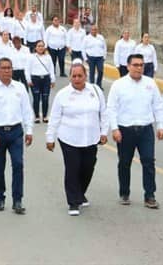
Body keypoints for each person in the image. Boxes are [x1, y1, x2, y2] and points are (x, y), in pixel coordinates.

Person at [46, 60, 108, 216]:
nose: (77, 79)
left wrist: (104, 132)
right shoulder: (63, 95)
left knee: (88, 167)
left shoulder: (95, 91)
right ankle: (73, 202)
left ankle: (80, 193)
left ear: (86, 76)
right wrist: (50, 137)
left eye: (80, 75)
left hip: (91, 138)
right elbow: (54, 117)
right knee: (73, 168)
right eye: (74, 76)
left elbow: (104, 113)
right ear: (70, 77)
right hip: (69, 138)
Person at [107, 54, 163, 209]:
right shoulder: (118, 85)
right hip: (125, 130)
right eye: (135, 65)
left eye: (141, 65)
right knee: (124, 163)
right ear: (128, 66)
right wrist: (114, 128)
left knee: (148, 162)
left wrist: (160, 126)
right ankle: (124, 192)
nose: (139, 68)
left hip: (145, 130)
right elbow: (111, 108)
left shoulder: (150, 84)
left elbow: (158, 106)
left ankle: (150, 195)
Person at [0, 57, 34, 215]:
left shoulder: (19, 88)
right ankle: (0, 198)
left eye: (9, 68)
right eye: (3, 68)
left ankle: (17, 200)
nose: (7, 71)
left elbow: (27, 110)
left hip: (16, 131)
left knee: (18, 164)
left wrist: (29, 130)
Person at [25, 41, 55, 124]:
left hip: (46, 79)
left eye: (42, 46)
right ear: (35, 47)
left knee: (45, 98)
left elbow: (51, 69)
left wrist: (52, 80)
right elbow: (27, 69)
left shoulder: (48, 57)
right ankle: (37, 116)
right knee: (36, 98)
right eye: (39, 46)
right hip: (35, 79)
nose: (41, 48)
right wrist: (28, 80)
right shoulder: (31, 57)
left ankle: (45, 116)